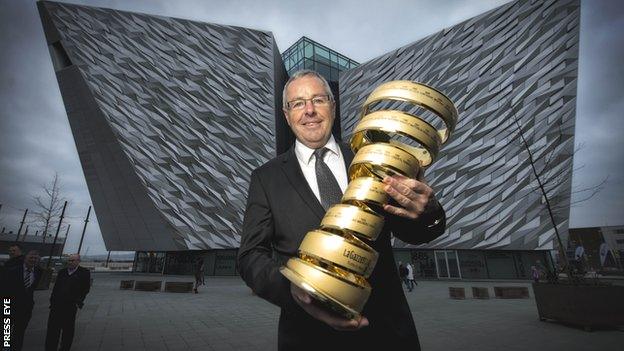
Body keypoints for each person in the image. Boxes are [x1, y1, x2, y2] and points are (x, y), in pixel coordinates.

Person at [237, 69, 446, 350]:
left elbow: (413, 230)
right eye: (298, 103)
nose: (309, 110)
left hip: (387, 334)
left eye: (318, 100)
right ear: (286, 115)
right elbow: (251, 255)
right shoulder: (265, 178)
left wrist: (428, 210)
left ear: (333, 106)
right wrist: (294, 291)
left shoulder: (372, 156)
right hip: (306, 336)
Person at [45, 254, 91, 351]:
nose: (70, 262)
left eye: (73, 260)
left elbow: (86, 288)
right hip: (56, 305)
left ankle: (65, 348)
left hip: (70, 305)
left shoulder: (84, 272)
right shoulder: (62, 272)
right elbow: (56, 288)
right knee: (52, 330)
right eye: (69, 260)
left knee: (68, 330)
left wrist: (78, 301)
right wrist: (52, 301)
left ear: (78, 261)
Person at [0, 250, 43, 351]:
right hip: (9, 306)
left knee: (20, 332)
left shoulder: (38, 271)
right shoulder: (12, 271)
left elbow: (31, 288)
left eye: (35, 258)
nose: (33, 260)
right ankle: (5, 347)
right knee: (6, 330)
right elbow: (4, 289)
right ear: (25, 258)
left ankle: (16, 348)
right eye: (31, 258)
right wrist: (5, 306)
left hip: (26, 308)